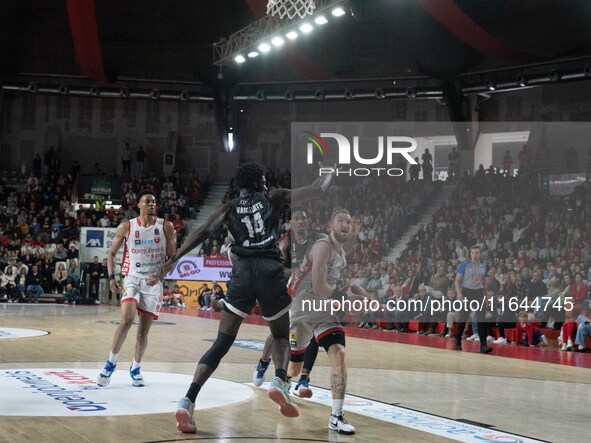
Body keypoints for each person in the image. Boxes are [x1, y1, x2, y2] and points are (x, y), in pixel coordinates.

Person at [164, 162, 333, 434]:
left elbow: (203, 232)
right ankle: (279, 380)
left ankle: (188, 400)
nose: (266, 184)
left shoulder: (227, 207)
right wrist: (329, 171)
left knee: (221, 342)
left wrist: (174, 258)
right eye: (264, 181)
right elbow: (317, 190)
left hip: (242, 274)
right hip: (269, 271)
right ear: (257, 183)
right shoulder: (273, 196)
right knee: (279, 336)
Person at [287, 208, 362, 435]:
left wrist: (356, 296)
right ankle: (287, 380)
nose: (345, 225)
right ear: (331, 225)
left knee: (338, 353)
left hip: (324, 311)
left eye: (349, 222)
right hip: (301, 310)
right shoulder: (322, 246)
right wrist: (346, 299)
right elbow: (319, 286)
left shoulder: (342, 256)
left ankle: (336, 416)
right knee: (295, 367)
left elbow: (330, 288)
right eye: (341, 220)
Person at [97, 190, 175, 388]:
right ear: (139, 204)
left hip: (153, 283)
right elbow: (112, 254)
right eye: (147, 201)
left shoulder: (166, 226)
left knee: (142, 332)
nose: (151, 204)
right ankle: (110, 364)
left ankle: (135, 367)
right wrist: (111, 277)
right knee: (127, 320)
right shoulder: (127, 226)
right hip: (132, 278)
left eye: (154, 201)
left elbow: (172, 259)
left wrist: (159, 276)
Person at [252, 206, 328, 397]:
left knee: (311, 332)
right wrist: (299, 271)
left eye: (304, 218)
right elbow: (278, 271)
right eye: (297, 218)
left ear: (308, 222)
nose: (301, 221)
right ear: (291, 223)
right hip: (290, 292)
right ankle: (263, 362)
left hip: (313, 294)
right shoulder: (286, 243)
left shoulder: (319, 238)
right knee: (280, 333)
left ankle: (302, 379)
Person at [454, 245, 492, 354]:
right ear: (470, 254)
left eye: (477, 253)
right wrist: (459, 293)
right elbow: (457, 280)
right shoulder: (465, 264)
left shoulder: (483, 266)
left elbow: (484, 283)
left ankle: (483, 345)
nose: (475, 255)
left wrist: (486, 295)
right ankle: (457, 340)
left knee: (481, 319)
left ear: (480, 254)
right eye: (473, 253)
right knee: (464, 317)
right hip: (467, 292)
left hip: (479, 292)